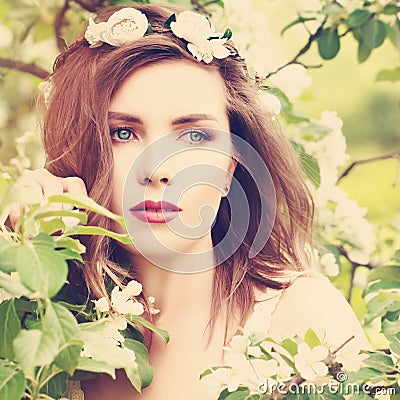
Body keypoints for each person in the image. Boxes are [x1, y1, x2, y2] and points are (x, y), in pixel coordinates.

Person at [12, 3, 369, 399]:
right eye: (123, 134)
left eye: (194, 136)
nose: (157, 168)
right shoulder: (41, 317)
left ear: (233, 164)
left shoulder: (305, 324)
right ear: (80, 153)